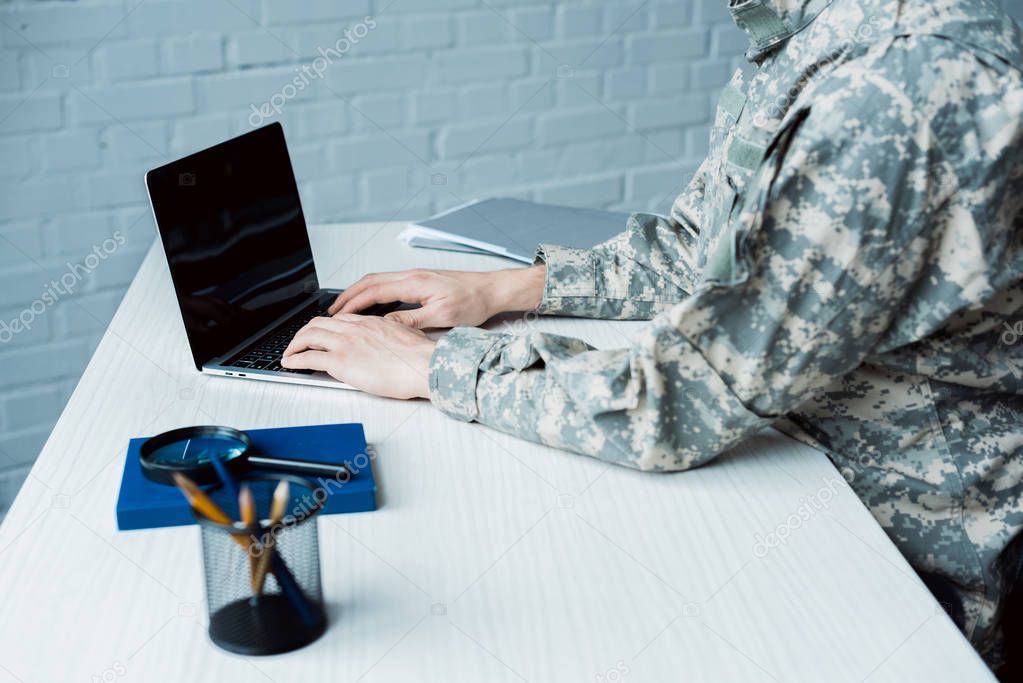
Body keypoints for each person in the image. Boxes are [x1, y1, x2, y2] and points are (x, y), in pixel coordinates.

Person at [281, 0, 1023, 673]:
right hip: (788, 463)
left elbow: (680, 401)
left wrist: (438, 366)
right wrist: (503, 290)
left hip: (890, 562)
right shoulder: (813, 33)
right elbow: (699, 247)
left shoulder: (897, 88)